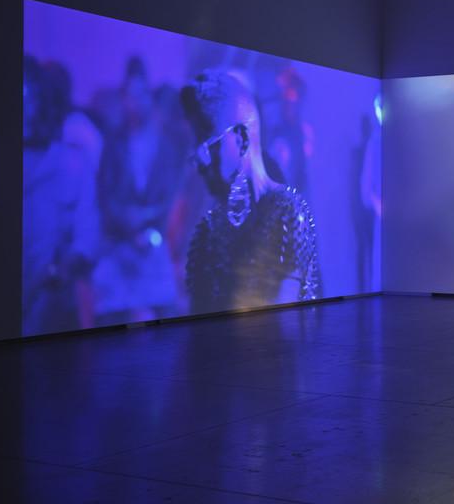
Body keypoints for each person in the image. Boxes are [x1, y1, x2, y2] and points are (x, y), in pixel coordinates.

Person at [180, 69, 320, 313]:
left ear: (241, 138)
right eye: (195, 147)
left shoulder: (285, 214)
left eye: (207, 143)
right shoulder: (206, 233)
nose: (199, 160)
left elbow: (286, 326)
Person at [92, 57, 181, 324]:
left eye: (141, 94)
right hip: (119, 246)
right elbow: (105, 194)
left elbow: (169, 196)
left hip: (152, 244)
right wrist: (127, 225)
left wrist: (150, 227)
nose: (135, 101)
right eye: (130, 95)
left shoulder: (164, 144)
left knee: (167, 319)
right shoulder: (114, 143)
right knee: (111, 321)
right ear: (123, 98)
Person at [21, 57, 99, 335]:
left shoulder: (73, 163)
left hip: (51, 317)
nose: (28, 110)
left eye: (33, 98)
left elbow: (87, 235)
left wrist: (61, 271)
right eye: (21, 98)